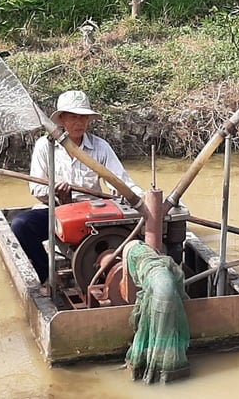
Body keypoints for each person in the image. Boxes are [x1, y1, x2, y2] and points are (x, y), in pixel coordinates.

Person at [10, 90, 143, 284]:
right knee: (20, 225)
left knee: (137, 230)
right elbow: (37, 189)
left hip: (93, 213)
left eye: (84, 117)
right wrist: (57, 194)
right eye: (73, 117)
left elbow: (121, 182)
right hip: (56, 210)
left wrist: (141, 197)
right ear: (61, 119)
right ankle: (47, 274)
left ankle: (125, 272)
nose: (79, 122)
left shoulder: (100, 147)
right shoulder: (44, 146)